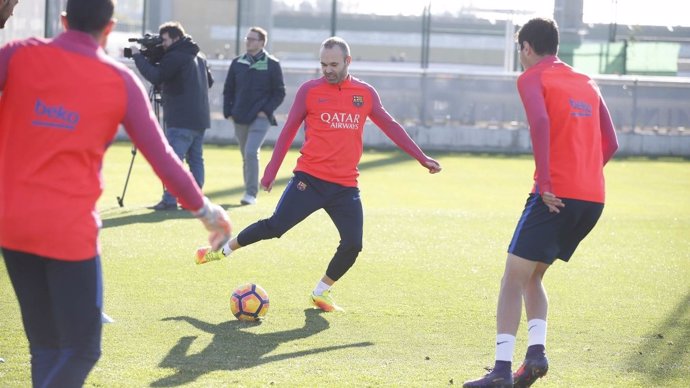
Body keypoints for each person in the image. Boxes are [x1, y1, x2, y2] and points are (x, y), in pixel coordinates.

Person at [0, 0, 231, 386]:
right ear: (109, 29)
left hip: (10, 222)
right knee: (83, 348)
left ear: (62, 20)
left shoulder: (18, 54)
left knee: (46, 346)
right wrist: (207, 212)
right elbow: (164, 159)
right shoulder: (119, 81)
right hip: (67, 230)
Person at [196, 36, 442, 312]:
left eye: (334, 64)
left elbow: (391, 125)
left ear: (348, 61)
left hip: (345, 186)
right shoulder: (309, 91)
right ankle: (221, 251)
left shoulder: (365, 93)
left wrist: (421, 158)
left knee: (353, 244)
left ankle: (321, 292)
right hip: (309, 180)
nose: (327, 69)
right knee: (275, 227)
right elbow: (288, 130)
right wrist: (270, 171)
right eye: (323, 64)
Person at [462, 17, 618, 388]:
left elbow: (540, 123)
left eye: (520, 50)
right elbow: (611, 143)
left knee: (511, 280)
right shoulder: (586, 81)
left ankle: (500, 371)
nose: (520, 57)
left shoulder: (532, 77)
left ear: (527, 47)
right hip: (592, 199)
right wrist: (583, 175)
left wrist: (548, 182)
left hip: (554, 195)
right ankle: (535, 357)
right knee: (533, 276)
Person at [130, 21, 214, 211]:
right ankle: (195, 199)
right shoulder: (198, 55)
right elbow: (209, 81)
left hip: (181, 118)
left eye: (165, 39)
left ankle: (169, 199)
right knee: (195, 160)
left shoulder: (176, 56)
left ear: (176, 37)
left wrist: (137, 56)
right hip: (199, 117)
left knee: (174, 161)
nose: (163, 44)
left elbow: (156, 76)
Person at [223, 26, 286, 205]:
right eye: (247, 38)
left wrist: (265, 110)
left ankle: (251, 193)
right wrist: (229, 111)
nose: (248, 41)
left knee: (251, 152)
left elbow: (279, 92)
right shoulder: (237, 62)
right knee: (246, 154)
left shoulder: (272, 64)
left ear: (261, 42)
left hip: (260, 118)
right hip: (239, 116)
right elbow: (229, 89)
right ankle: (249, 188)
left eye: (252, 39)